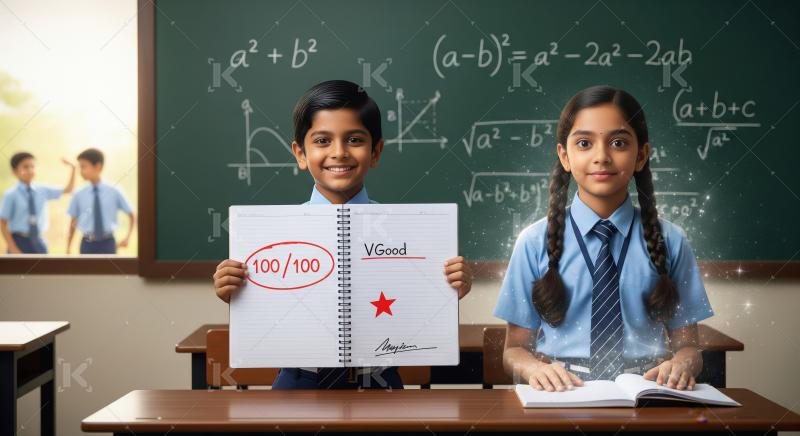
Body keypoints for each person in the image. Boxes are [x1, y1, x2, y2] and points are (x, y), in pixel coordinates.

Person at [213, 80, 472, 389]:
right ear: (300, 153)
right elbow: (266, 320)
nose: (339, 152)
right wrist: (236, 290)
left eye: (354, 140)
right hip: (297, 387)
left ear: (375, 152)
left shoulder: (406, 233)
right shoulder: (272, 235)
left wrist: (449, 289)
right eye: (322, 141)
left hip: (381, 385)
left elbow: (417, 312)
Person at [495, 85, 713, 392]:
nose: (601, 157)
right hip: (564, 391)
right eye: (584, 143)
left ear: (641, 156)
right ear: (564, 156)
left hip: (646, 389)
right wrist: (533, 369)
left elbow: (690, 348)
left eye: (619, 142)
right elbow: (514, 350)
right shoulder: (533, 242)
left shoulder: (672, 240)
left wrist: (682, 364)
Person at [0, 152, 75, 253]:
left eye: (32, 166)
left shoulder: (42, 189)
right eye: (25, 167)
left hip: (38, 241)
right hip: (18, 241)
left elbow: (68, 189)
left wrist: (74, 168)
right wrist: (13, 248)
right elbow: (3, 223)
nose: (30, 170)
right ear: (15, 172)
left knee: (43, 268)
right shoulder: (11, 195)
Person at [66, 148, 134, 254]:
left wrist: (128, 237)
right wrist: (68, 248)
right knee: (87, 270)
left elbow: (132, 214)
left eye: (84, 167)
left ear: (98, 166)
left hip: (108, 243)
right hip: (87, 244)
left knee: (110, 270)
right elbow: (73, 222)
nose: (81, 172)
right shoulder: (78, 194)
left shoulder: (114, 190)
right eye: (79, 167)